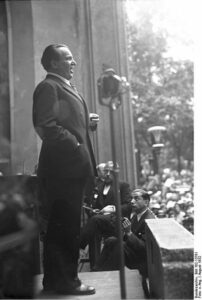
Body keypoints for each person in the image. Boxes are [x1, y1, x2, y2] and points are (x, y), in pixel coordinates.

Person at [32, 44, 98, 295]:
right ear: (53, 64)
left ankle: (57, 281)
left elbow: (65, 122)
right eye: (68, 59)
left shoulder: (66, 88)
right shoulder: (48, 87)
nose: (73, 63)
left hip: (71, 169)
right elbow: (46, 126)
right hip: (62, 171)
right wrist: (76, 143)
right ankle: (67, 282)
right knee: (65, 228)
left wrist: (86, 123)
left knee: (67, 227)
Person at [80, 161, 132, 269]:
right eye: (106, 171)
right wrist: (93, 210)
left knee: (94, 221)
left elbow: (128, 206)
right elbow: (95, 205)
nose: (108, 174)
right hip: (101, 219)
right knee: (94, 227)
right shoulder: (100, 186)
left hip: (116, 220)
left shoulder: (123, 185)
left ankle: (79, 246)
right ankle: (96, 265)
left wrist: (113, 208)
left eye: (110, 171)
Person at [93, 189, 156, 278]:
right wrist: (124, 231)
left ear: (146, 202)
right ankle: (97, 270)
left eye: (136, 199)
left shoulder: (149, 220)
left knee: (119, 246)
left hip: (141, 259)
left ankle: (110, 276)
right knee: (111, 240)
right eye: (131, 199)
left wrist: (129, 232)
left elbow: (144, 248)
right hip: (133, 251)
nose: (132, 201)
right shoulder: (136, 215)